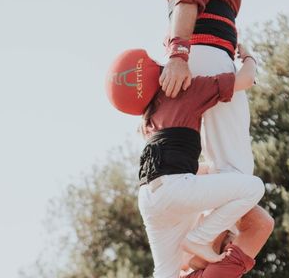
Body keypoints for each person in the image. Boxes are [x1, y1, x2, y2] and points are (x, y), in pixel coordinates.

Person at [160, 0, 289, 259]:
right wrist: (179, 52)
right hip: (206, 53)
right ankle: (200, 239)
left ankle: (202, 239)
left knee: (219, 163)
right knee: (238, 168)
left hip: (198, 54)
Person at [105, 45, 264, 278]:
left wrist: (211, 173)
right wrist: (248, 56)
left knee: (165, 272)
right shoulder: (188, 89)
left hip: (150, 198)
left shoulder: (148, 117)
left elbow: (167, 169)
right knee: (254, 187)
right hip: (175, 189)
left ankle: (197, 239)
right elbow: (246, 79)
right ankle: (199, 239)